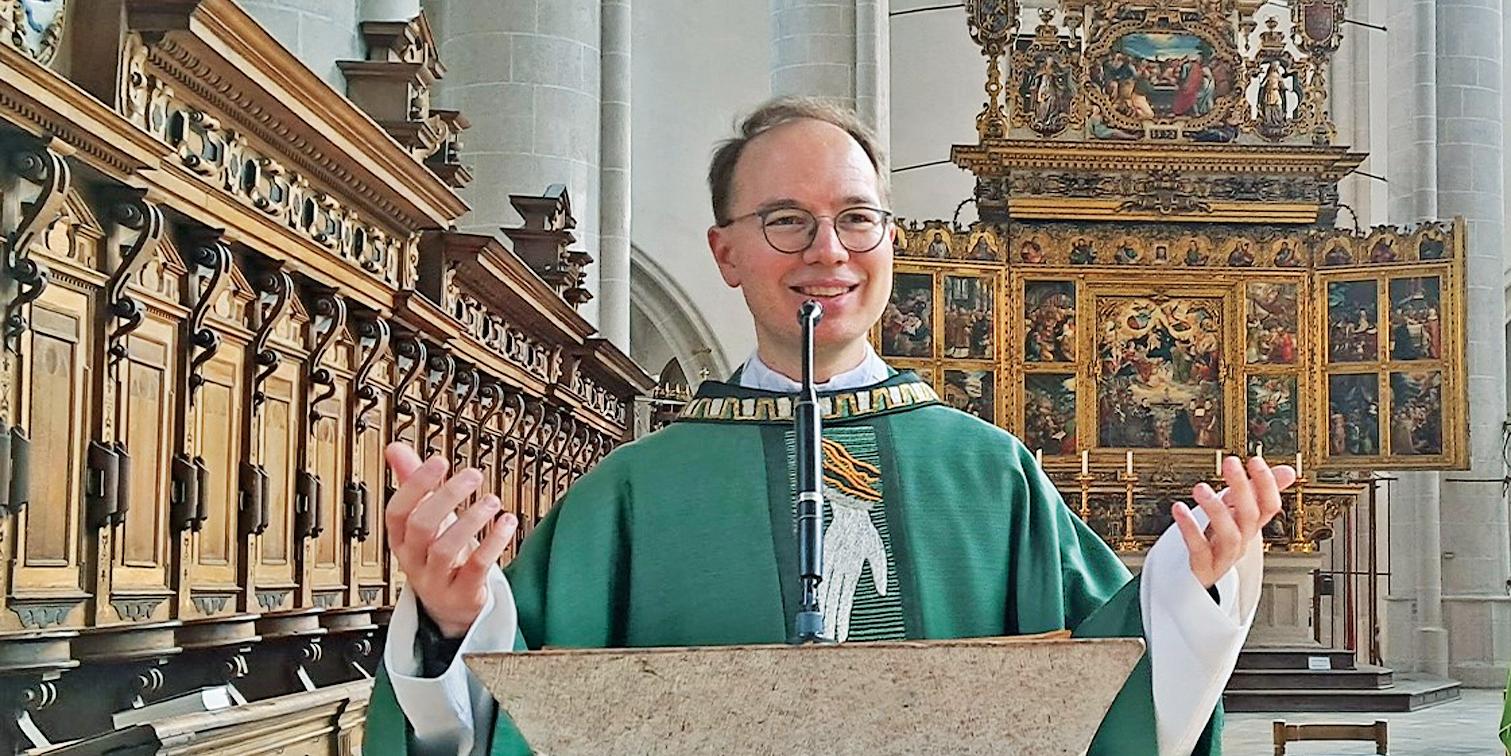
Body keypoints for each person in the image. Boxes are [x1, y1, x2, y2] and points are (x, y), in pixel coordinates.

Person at [362, 98, 1295, 756]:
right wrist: (453, 619)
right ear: (724, 253)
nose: (828, 251)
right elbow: (510, 710)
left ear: (890, 241)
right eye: (785, 221)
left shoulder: (988, 473)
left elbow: (1111, 684)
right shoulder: (633, 492)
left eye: (857, 219)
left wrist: (1190, 584)